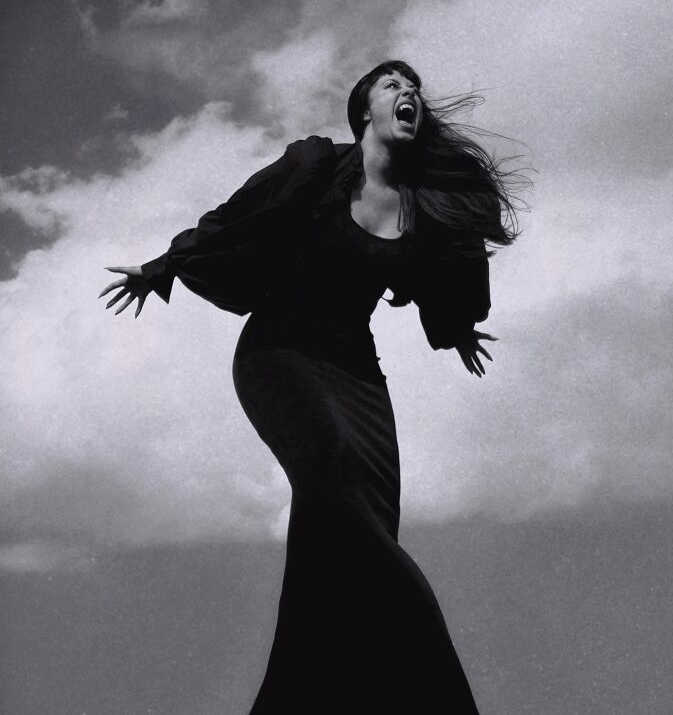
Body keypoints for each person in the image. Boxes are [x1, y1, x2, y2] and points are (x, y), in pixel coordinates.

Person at [100, 60, 522, 714]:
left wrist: (458, 329)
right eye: (391, 86)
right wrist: (167, 266)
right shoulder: (316, 167)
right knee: (333, 483)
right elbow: (238, 217)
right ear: (365, 112)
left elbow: (445, 286)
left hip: (357, 375)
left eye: (413, 89)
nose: (407, 93)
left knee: (338, 546)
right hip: (280, 353)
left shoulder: (423, 208)